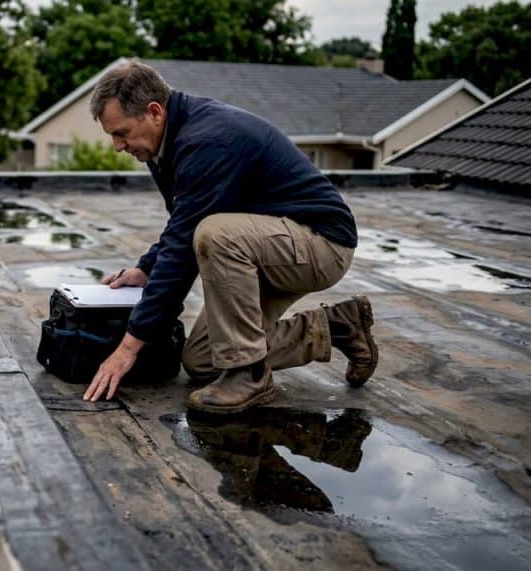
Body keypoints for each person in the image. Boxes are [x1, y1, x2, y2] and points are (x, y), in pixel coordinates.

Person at [81, 61, 377, 413]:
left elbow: (184, 249)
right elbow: (182, 222)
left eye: (122, 133)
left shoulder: (208, 141)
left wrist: (127, 349)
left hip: (321, 243)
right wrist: (146, 268)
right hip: (268, 245)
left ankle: (250, 377)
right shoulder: (165, 142)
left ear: (154, 112)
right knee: (203, 360)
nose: (118, 145)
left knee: (215, 234)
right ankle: (339, 327)